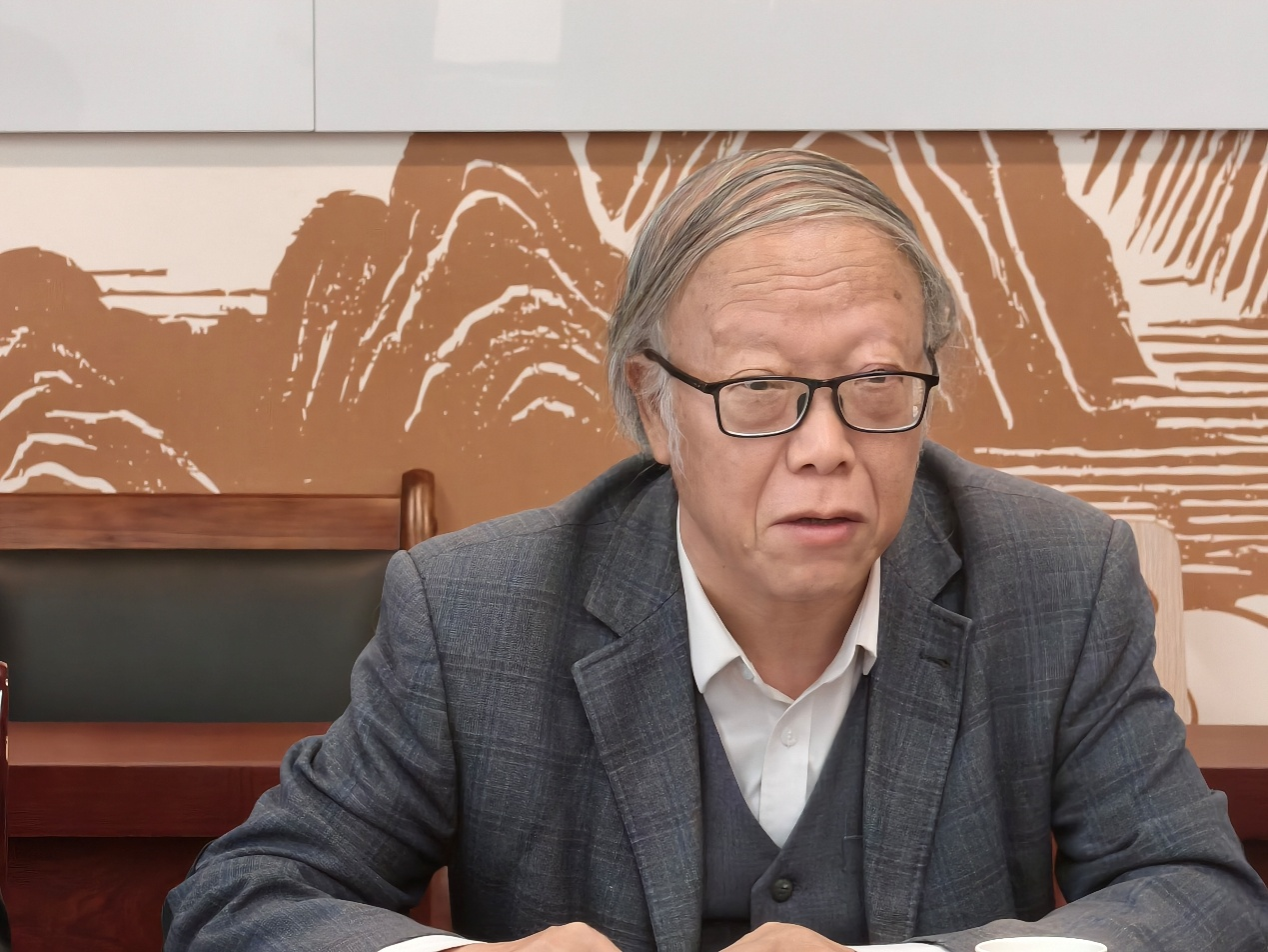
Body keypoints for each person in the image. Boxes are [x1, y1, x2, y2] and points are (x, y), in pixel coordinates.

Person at [162, 150, 1268, 951]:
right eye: (759, 390)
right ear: (654, 407)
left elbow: (1201, 896)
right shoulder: (474, 611)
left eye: (876, 382)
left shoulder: (1057, 577)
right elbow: (243, 900)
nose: (826, 446)